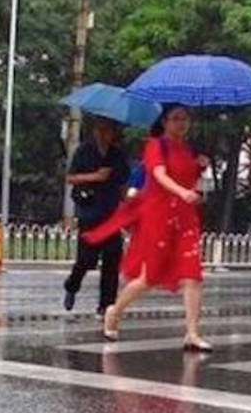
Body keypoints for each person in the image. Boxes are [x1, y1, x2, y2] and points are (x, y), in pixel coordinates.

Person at [85, 104, 212, 351]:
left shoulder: (187, 150)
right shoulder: (156, 145)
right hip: (158, 216)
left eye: (185, 119)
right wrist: (183, 192)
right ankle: (115, 311)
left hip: (185, 218)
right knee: (149, 277)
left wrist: (199, 167)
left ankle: (192, 333)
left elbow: (188, 179)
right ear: (164, 122)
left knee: (192, 274)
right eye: (176, 118)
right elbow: (160, 176)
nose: (181, 123)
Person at [63, 118, 130, 316]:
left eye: (107, 130)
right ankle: (72, 285)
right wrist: (95, 176)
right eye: (99, 130)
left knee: (112, 260)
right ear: (94, 131)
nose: (103, 134)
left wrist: (128, 206)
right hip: (89, 214)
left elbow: (123, 184)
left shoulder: (117, 155)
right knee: (86, 259)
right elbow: (70, 178)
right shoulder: (84, 151)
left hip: (111, 214)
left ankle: (106, 306)